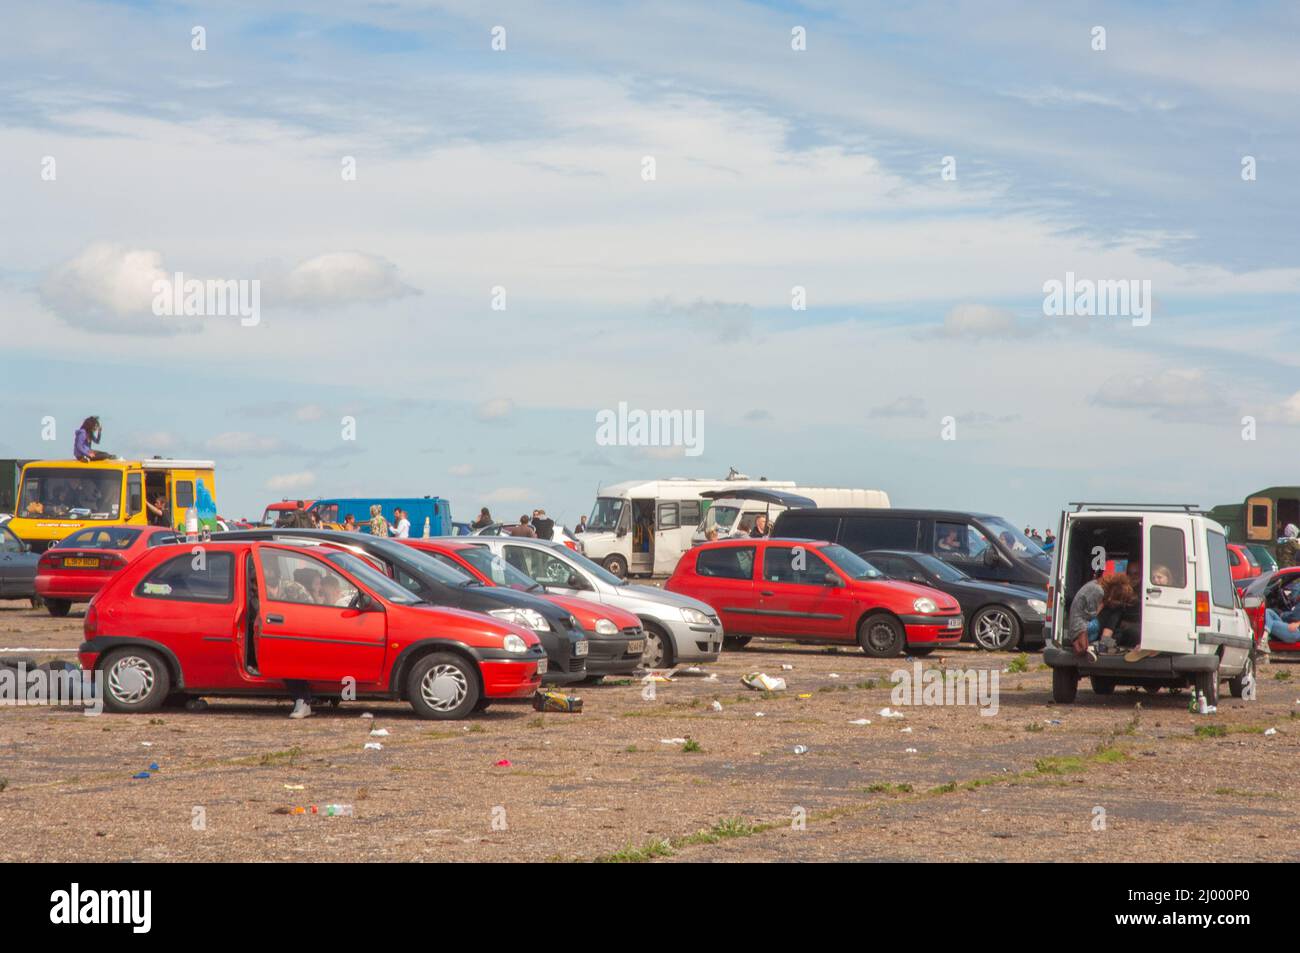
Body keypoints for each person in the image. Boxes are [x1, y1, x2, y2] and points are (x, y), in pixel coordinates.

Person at [1067, 572, 1106, 660]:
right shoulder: (1098, 590)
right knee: (1096, 624)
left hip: (1077, 622)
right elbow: (1090, 615)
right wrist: (1102, 605)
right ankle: (1088, 644)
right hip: (1080, 624)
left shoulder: (1093, 585)